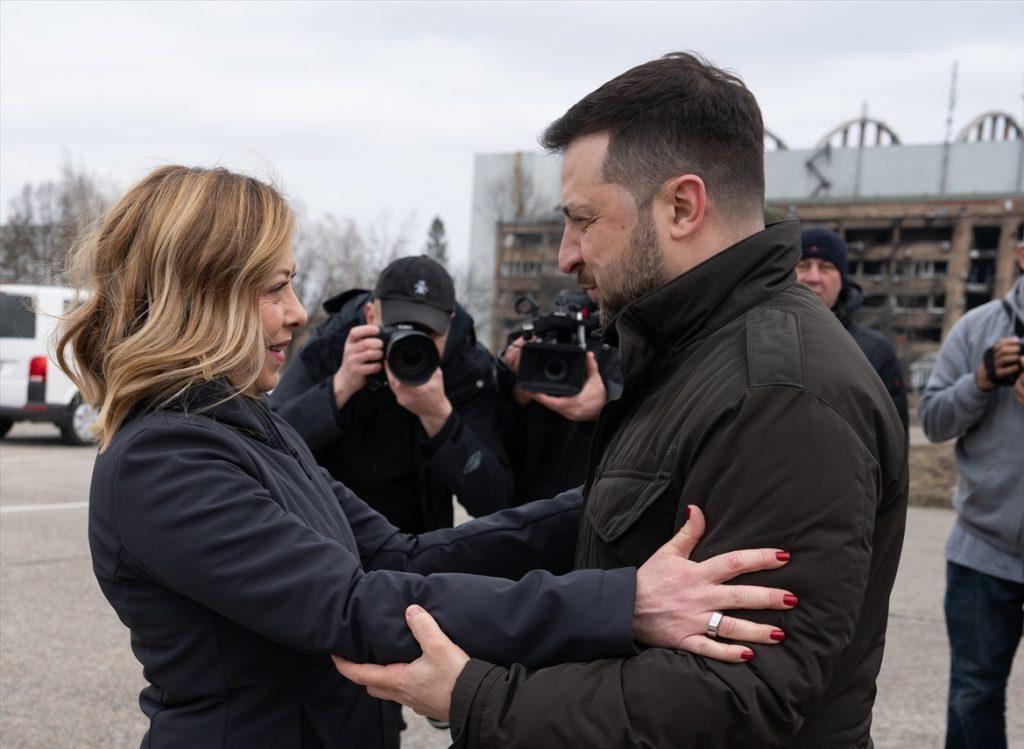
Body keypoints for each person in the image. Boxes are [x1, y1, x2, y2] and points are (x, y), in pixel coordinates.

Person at [58, 165, 800, 748]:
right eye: (276, 288)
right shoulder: (166, 460)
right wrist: (623, 604)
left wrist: (617, 495)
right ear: (202, 297)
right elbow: (356, 607)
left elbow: (400, 552)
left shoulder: (244, 424)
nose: (293, 312)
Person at [337, 52, 909, 749]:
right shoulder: (694, 348)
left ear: (682, 206)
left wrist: (478, 697)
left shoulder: (783, 392)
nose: (566, 255)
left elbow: (739, 696)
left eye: (582, 220)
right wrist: (413, 560)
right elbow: (614, 515)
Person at [269, 255, 512, 532]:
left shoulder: (465, 370)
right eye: (398, 328)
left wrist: (440, 418)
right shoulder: (334, 345)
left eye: (428, 333)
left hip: (416, 540)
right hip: (326, 527)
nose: (411, 345)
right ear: (371, 315)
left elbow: (494, 501)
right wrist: (340, 387)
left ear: (450, 323)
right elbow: (269, 441)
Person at [918, 241, 1024, 749]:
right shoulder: (978, 327)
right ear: (1022, 255)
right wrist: (980, 381)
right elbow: (933, 421)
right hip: (984, 554)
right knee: (973, 697)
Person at [497, 289, 622, 504]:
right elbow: (495, 447)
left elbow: (655, 417)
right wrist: (513, 389)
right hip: (527, 507)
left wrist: (607, 404)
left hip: (595, 505)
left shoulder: (627, 346)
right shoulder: (537, 340)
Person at [796, 227, 909, 430]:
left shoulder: (876, 352)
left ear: (842, 280)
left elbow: (893, 441)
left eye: (825, 267)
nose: (813, 277)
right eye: (803, 265)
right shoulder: (760, 341)